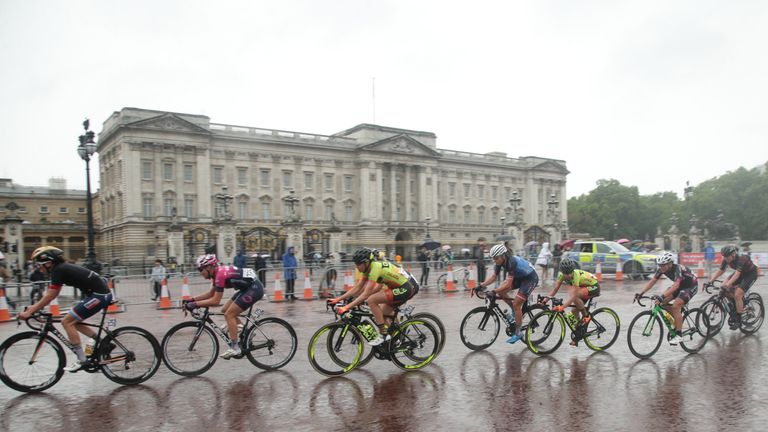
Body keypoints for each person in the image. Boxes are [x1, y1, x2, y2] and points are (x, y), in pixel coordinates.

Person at [18, 246, 113, 372]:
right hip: (96, 294)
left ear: (48, 262)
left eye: (39, 264)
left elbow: (51, 295)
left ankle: (82, 360)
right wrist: (33, 307)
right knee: (74, 321)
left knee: (67, 322)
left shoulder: (58, 270)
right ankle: (104, 344)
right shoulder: (60, 269)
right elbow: (51, 294)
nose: (38, 267)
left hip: (99, 296)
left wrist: (31, 311)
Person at [330, 248, 420, 346]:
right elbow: (357, 288)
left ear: (366, 262)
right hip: (399, 287)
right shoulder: (368, 270)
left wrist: (346, 307)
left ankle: (384, 334)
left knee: (372, 300)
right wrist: (337, 299)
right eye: (355, 264)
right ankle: (397, 336)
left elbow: (366, 294)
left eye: (358, 264)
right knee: (382, 312)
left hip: (406, 288)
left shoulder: (375, 269)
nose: (357, 267)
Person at [184, 254, 264, 359]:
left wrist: (195, 305)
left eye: (200, 269)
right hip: (247, 288)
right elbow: (210, 294)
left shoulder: (220, 274)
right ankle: (246, 331)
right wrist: (192, 299)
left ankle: (235, 347)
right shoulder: (216, 274)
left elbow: (215, 300)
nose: (200, 273)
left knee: (229, 314)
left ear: (208, 267)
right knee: (225, 310)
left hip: (254, 288)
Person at [478, 243, 539, 344]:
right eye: (493, 258)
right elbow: (493, 277)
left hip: (530, 278)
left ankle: (518, 332)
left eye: (496, 258)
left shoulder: (511, 262)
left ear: (503, 255)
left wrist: (493, 291)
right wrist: (481, 285)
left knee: (516, 304)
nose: (494, 260)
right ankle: (514, 312)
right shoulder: (499, 263)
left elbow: (508, 285)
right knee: (501, 291)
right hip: (520, 277)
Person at [635, 251, 698, 345]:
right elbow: (652, 282)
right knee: (661, 303)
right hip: (680, 286)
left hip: (690, 286)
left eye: (663, 265)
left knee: (675, 306)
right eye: (660, 265)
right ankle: (677, 320)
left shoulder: (678, 269)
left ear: (670, 263)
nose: (661, 267)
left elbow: (676, 286)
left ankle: (679, 335)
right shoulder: (661, 270)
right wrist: (641, 293)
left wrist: (662, 296)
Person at [542, 258, 600, 346]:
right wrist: (546, 299)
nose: (568, 275)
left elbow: (574, 297)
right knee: (574, 313)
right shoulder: (561, 276)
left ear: (572, 270)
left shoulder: (575, 276)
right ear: (562, 272)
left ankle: (586, 316)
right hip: (584, 287)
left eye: (570, 272)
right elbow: (555, 289)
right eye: (566, 273)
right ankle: (578, 336)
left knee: (575, 295)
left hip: (594, 286)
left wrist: (562, 307)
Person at [707, 245, 759, 329]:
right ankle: (736, 306)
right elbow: (721, 270)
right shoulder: (726, 259)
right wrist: (710, 281)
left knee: (738, 294)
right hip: (741, 273)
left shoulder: (742, 259)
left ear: (733, 254)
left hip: (750, 274)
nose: (726, 258)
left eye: (727, 257)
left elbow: (737, 275)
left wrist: (728, 285)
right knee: (723, 289)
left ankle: (739, 320)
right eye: (724, 257)